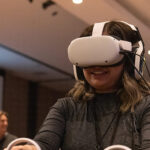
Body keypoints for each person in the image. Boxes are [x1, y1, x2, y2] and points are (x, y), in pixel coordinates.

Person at [9, 20, 150, 150]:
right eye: (87, 56)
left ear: (130, 60)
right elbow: (44, 143)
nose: (96, 65)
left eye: (105, 55)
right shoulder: (66, 107)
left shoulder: (145, 106)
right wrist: (31, 148)